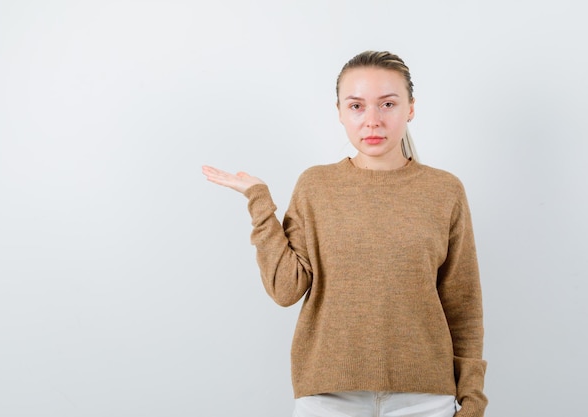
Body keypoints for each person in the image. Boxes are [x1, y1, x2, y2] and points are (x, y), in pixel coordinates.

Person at [202, 50, 487, 417]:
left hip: (425, 398)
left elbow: (463, 304)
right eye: (356, 106)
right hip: (328, 398)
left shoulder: (444, 190)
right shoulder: (316, 186)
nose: (372, 121)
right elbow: (285, 289)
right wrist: (260, 202)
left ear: (411, 108)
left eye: (387, 104)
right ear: (339, 111)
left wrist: (473, 400)